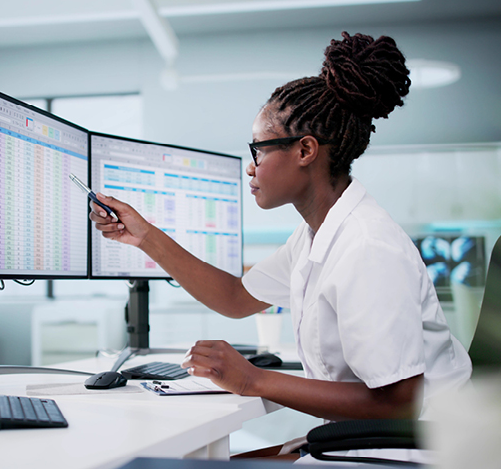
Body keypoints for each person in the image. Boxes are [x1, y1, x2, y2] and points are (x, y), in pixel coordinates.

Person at [89, 32, 472, 462]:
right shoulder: (315, 234)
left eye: (259, 149)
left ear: (305, 150)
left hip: (414, 451)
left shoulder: (368, 247)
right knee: (224, 461)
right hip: (360, 437)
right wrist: (144, 235)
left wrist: (251, 380)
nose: (251, 167)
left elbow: (398, 405)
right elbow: (237, 297)